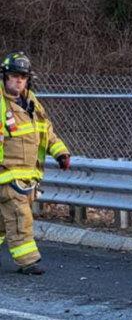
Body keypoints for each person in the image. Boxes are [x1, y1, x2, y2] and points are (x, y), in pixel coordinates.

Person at [0, 52, 71, 275]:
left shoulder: (32, 103)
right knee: (21, 217)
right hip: (7, 175)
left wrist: (60, 153)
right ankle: (28, 261)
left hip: (27, 176)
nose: (18, 80)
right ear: (4, 77)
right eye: (14, 76)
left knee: (3, 223)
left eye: (23, 76)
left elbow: (46, 131)